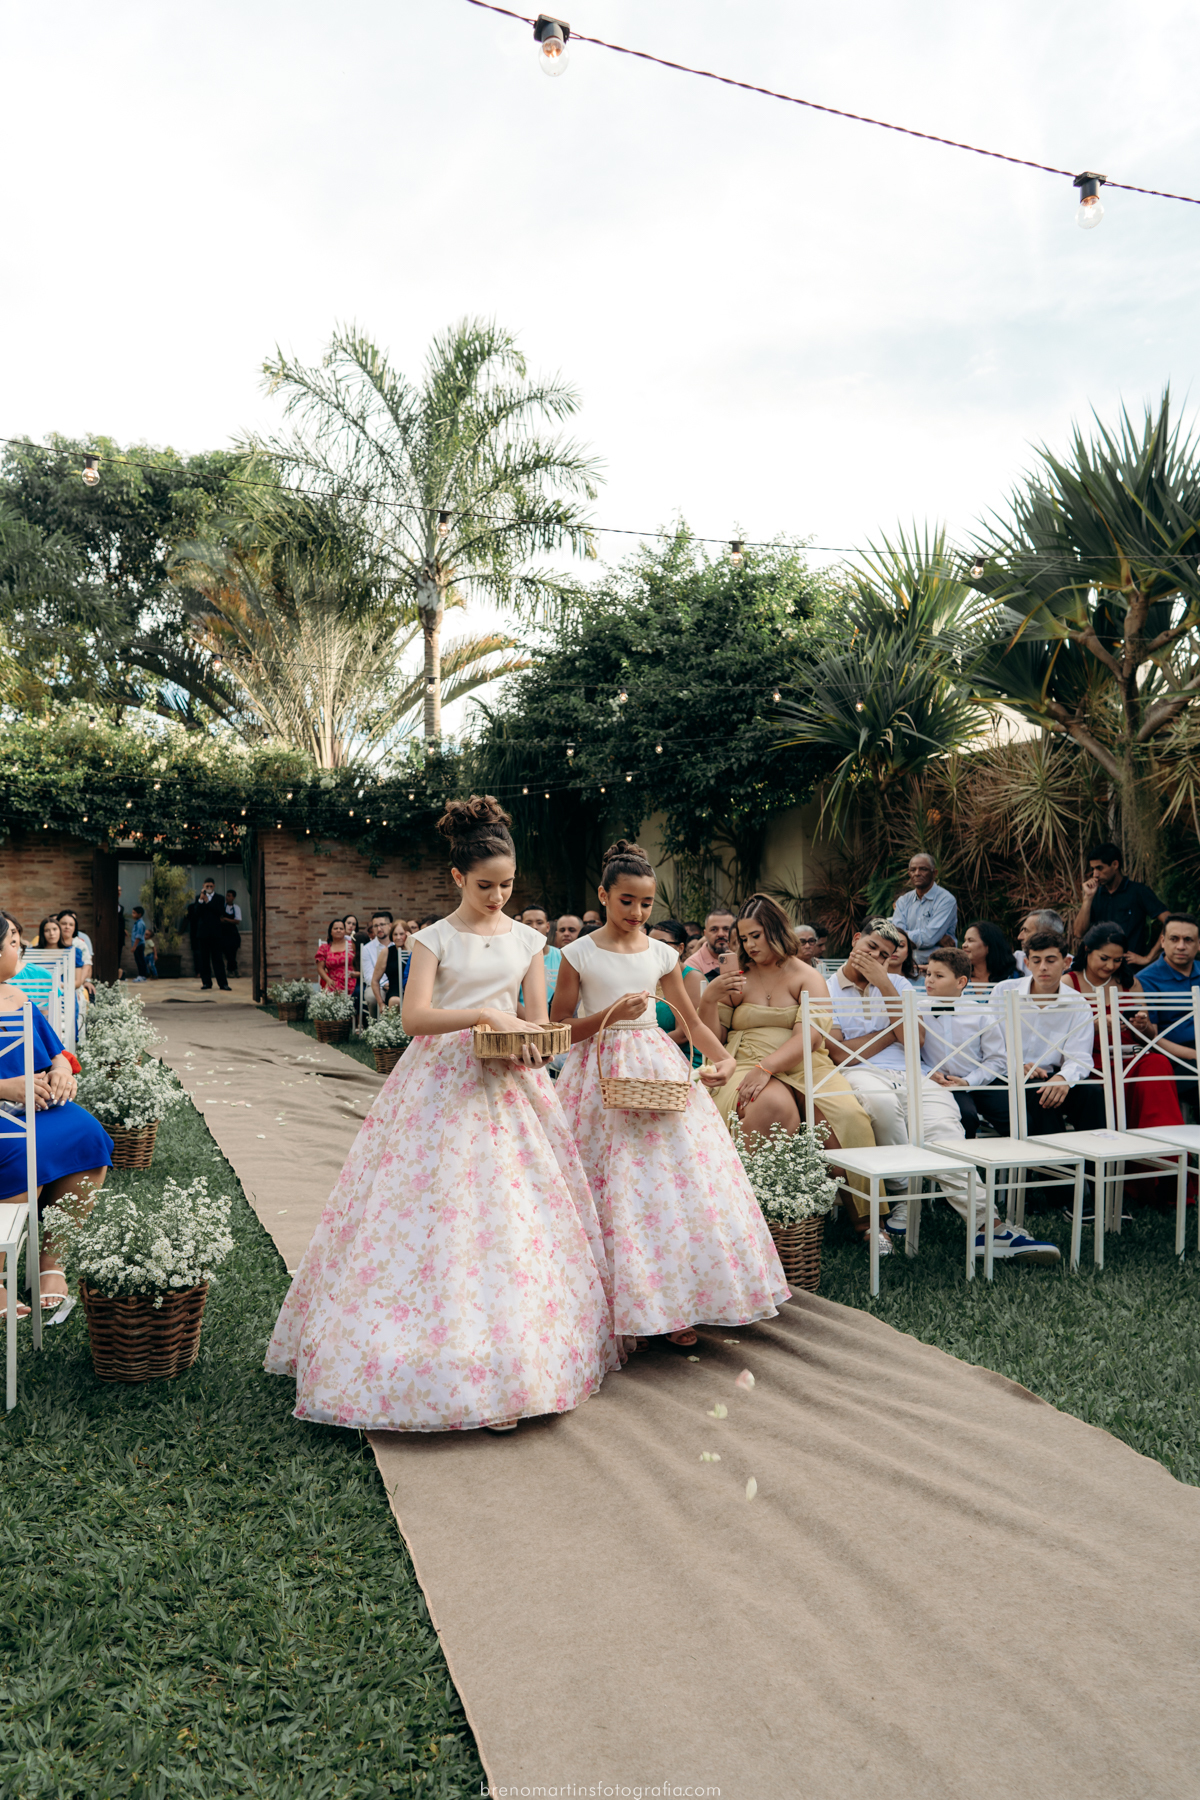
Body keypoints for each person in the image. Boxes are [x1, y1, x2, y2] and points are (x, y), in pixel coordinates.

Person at [265, 796, 617, 1430]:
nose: (497, 897)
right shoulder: (433, 939)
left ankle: (516, 1364)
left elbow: (537, 1020)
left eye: (507, 885)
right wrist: (483, 1014)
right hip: (441, 1086)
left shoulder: (529, 941)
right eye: (486, 885)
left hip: (509, 1088)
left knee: (510, 1217)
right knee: (437, 1214)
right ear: (457, 877)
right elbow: (414, 1018)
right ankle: (428, 1355)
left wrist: (531, 1046)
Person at [551, 842, 789, 1349]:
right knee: (610, 1189)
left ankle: (675, 1303)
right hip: (598, 1075)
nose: (637, 913)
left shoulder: (662, 953)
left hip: (656, 1069)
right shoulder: (578, 953)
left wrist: (718, 1057)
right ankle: (612, 1308)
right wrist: (608, 1016)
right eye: (626, 902)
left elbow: (690, 1020)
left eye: (646, 903)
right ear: (604, 895)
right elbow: (559, 1028)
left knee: (668, 1191)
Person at [697, 895, 881, 1253]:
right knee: (770, 1108)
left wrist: (770, 1068)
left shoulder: (807, 975)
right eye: (744, 938)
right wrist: (709, 999)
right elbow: (713, 1041)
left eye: (756, 936)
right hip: (745, 1060)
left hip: (803, 1063)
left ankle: (867, 1220)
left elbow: (809, 1037)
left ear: (776, 931)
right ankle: (751, 1215)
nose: (749, 945)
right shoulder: (738, 977)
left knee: (844, 1117)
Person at [0, 910, 113, 1318]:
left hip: (35, 1106)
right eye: (13, 942)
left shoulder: (17, 997)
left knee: (87, 1133)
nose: (21, 948)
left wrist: (62, 1071)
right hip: (5, 1115)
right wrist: (7, 1088)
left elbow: (56, 1052)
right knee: (17, 1153)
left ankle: (52, 1258)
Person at [917, 949, 1055, 1256]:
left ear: (961, 982)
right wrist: (932, 1074)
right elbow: (910, 1054)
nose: (929, 981)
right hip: (941, 1086)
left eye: (938, 976)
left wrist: (969, 1081)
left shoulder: (981, 1013)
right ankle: (958, 1192)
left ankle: (1023, 1189)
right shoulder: (918, 1010)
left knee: (1017, 1116)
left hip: (977, 1080)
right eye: (928, 974)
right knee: (965, 1119)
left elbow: (996, 1060)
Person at [1063, 925, 1183, 1192]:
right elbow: (1057, 1030)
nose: (1111, 966)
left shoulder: (1130, 981)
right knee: (1105, 1083)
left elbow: (1149, 1033)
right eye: (1104, 958)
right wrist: (1092, 1024)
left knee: (1158, 1065)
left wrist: (1143, 1025)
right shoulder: (1069, 981)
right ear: (1087, 950)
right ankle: (1120, 1173)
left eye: (1117, 960)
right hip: (1090, 1058)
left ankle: (1163, 1172)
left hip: (1132, 1054)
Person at [979, 934, 1104, 1141]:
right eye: (1036, 961)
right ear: (1027, 963)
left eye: (1050, 960)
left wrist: (1064, 1078)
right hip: (1006, 1076)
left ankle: (1096, 1165)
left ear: (1066, 962)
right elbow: (989, 1044)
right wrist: (1017, 1065)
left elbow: (1080, 1056)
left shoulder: (1078, 1003)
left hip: (1050, 1076)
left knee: (1092, 1093)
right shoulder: (1004, 991)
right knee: (1042, 1096)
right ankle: (1057, 1168)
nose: (1043, 967)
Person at [1137, 915, 1200, 1116]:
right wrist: (1193, 1055)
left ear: (1198, 944)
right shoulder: (1145, 980)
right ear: (1163, 941)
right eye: (1174, 939)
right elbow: (1151, 1037)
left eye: (1188, 940)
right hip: (1172, 1059)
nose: (1181, 946)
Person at [1072, 843, 1168, 970]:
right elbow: (1078, 933)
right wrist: (1088, 898)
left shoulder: (1138, 891)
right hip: (1099, 970)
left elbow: (1169, 921)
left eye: (1100, 868)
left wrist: (1149, 958)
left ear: (1115, 865)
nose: (1095, 874)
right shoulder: (1095, 894)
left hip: (1130, 971)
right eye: (1093, 869)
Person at [647, 918, 700, 1063]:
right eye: (649, 944)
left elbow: (683, 1034)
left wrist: (645, 1050)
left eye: (662, 944)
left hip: (683, 1057)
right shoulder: (648, 976)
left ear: (680, 948)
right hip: (651, 1056)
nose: (654, 949)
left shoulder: (692, 978)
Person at [890, 853, 957, 967]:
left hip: (937, 967)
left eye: (923, 869)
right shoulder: (903, 901)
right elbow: (896, 937)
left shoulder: (946, 900)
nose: (917, 873)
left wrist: (931, 938)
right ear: (909, 874)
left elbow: (928, 938)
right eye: (913, 870)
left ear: (934, 873)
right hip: (906, 966)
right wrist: (937, 939)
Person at [189, 880, 230, 992]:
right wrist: (201, 901)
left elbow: (219, 912)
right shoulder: (199, 897)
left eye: (211, 886)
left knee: (218, 959)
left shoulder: (220, 898)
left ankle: (223, 984)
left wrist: (208, 902)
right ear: (203, 886)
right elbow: (196, 913)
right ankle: (206, 982)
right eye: (207, 886)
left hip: (216, 933)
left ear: (214, 886)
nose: (209, 888)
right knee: (204, 960)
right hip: (203, 933)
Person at [962, 920, 1017, 991]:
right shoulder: (959, 978)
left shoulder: (1011, 979)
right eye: (965, 940)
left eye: (970, 940)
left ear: (988, 946)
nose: (964, 945)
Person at [370, 920, 410, 1014]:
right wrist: (381, 1003)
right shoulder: (386, 952)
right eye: (395, 934)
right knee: (394, 1001)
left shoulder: (414, 951)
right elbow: (374, 981)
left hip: (412, 991)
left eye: (401, 934)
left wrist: (409, 946)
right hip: (394, 992)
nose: (398, 937)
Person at [683, 910, 735, 979]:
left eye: (726, 929)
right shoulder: (692, 965)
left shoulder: (747, 958)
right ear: (705, 934)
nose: (720, 934)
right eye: (714, 929)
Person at [1014, 909, 1066, 974]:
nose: (1020, 937)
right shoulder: (1016, 961)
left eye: (1026, 931)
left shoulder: (1074, 969)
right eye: (1036, 961)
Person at [360, 911, 394, 1007]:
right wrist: (384, 984)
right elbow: (368, 976)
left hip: (396, 984)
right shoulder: (367, 949)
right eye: (375, 926)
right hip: (377, 985)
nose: (379, 929)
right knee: (372, 997)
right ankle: (375, 1022)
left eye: (382, 924)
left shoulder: (398, 946)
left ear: (390, 925)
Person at [314, 919, 355, 993]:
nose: (338, 930)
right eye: (335, 928)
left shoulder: (352, 945)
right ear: (331, 932)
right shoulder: (324, 947)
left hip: (352, 981)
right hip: (333, 982)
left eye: (341, 929)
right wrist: (328, 980)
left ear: (345, 931)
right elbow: (320, 968)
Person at [222, 890, 243, 979]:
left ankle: (231, 970)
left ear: (233, 898)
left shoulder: (236, 908)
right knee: (227, 952)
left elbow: (237, 921)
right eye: (227, 895)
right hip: (224, 933)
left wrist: (226, 919)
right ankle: (234, 970)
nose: (227, 897)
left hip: (233, 933)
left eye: (229, 896)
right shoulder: (223, 907)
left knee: (233, 952)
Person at [131, 906, 149, 981]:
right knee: (138, 960)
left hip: (139, 945)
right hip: (137, 945)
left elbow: (138, 936)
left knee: (140, 960)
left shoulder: (140, 924)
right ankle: (141, 975)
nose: (132, 914)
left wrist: (134, 946)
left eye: (134, 913)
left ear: (139, 914)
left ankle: (142, 975)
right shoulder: (137, 923)